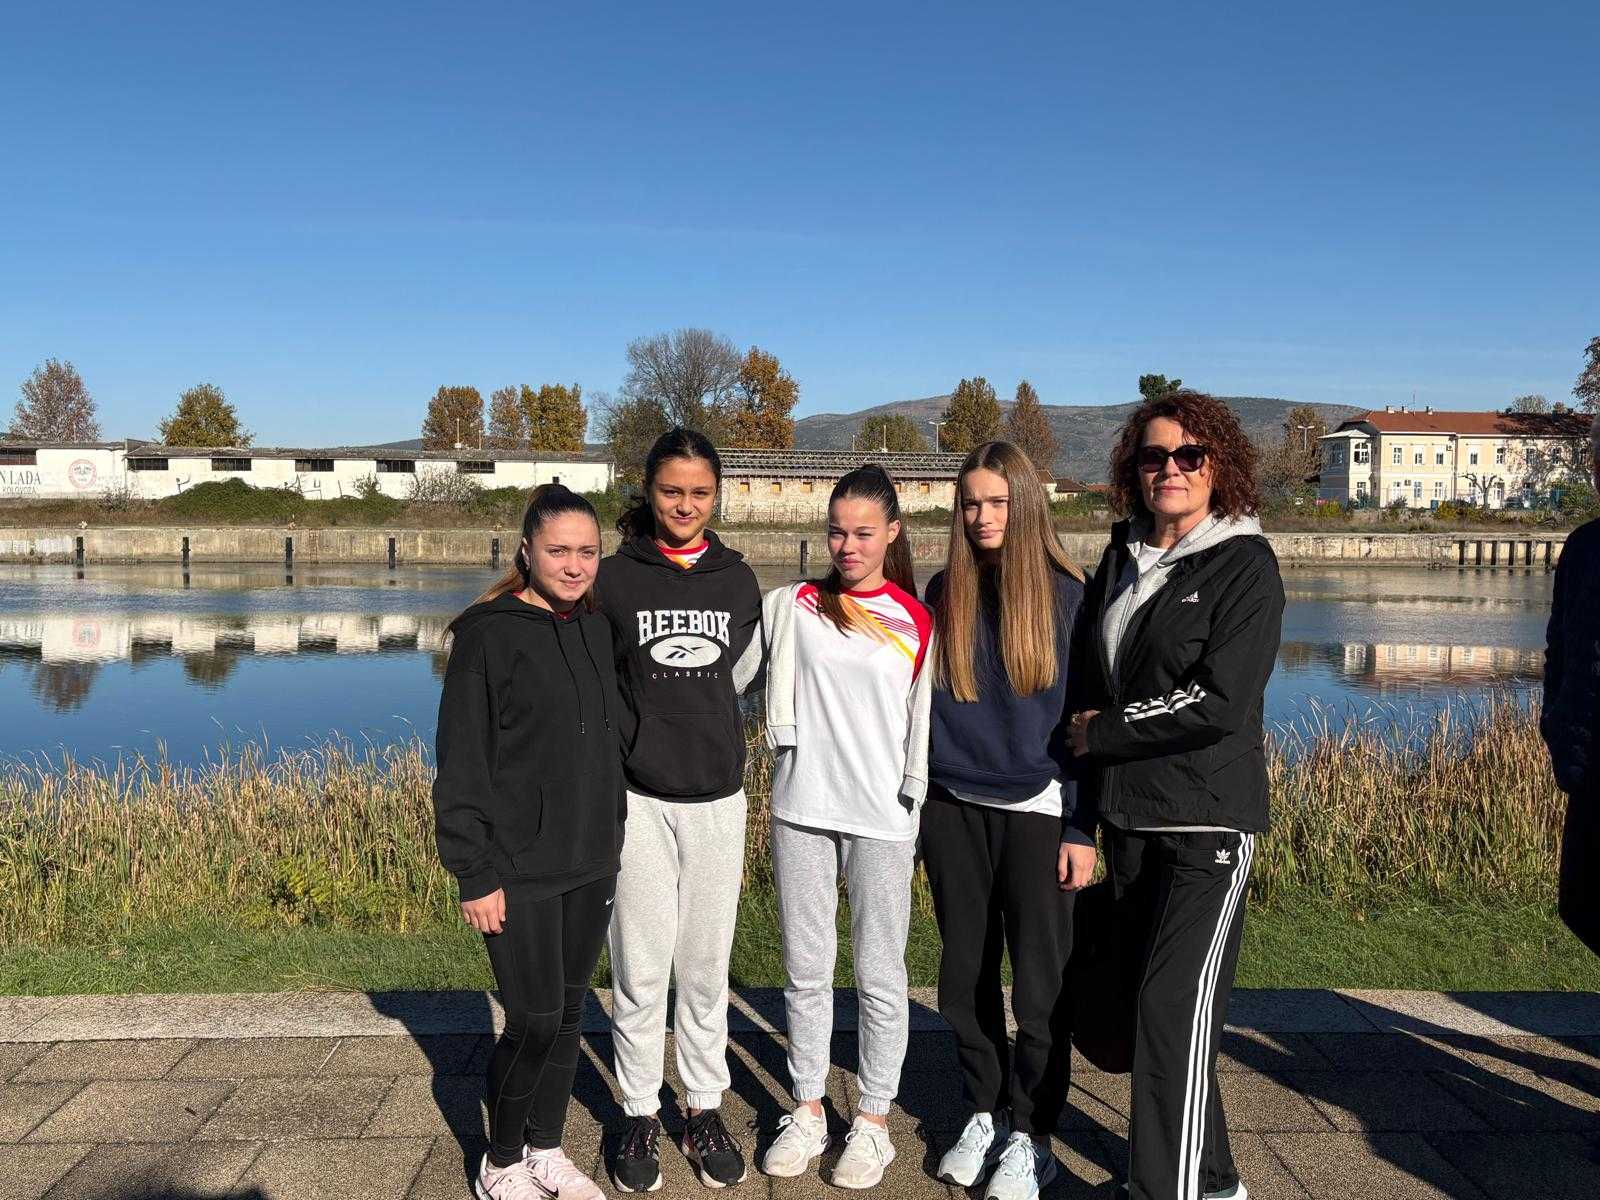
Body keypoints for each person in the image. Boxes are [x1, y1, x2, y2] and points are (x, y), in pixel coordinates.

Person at [1068, 391, 1283, 1200]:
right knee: (1154, 1017)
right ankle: (1216, 1181)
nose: (1171, 469)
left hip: (1207, 826)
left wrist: (1109, 731)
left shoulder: (1244, 565)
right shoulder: (1122, 558)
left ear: (1218, 465)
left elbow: (1219, 700)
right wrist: (1083, 812)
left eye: (1189, 455)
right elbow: (1092, 678)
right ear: (1134, 468)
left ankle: (1163, 1188)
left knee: (1170, 1010)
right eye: (1154, 456)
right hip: (1130, 821)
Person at [433, 484, 623, 1200]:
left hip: (591, 859)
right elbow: (462, 760)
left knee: (570, 1015)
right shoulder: (487, 636)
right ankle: (501, 1160)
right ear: (526, 551)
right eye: (558, 550)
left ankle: (546, 1148)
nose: (574, 565)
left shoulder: (595, 627)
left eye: (587, 551)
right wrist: (473, 871)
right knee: (534, 1020)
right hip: (517, 867)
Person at [920, 441, 1094, 1200]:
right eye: (970, 503)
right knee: (963, 981)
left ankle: (1032, 1133)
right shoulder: (944, 589)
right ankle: (985, 1112)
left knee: (1039, 989)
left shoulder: (1068, 595)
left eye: (996, 501)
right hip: (953, 807)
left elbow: (1088, 721)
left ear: (1025, 503)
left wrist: (1082, 827)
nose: (982, 516)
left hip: (1038, 812)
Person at [593, 428, 764, 1192]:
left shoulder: (738, 580)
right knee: (639, 968)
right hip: (639, 801)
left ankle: (701, 1106)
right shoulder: (614, 579)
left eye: (699, 493)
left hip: (718, 803)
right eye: (671, 491)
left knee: (702, 969)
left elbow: (743, 679)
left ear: (716, 495)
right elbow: (601, 684)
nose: (685, 505)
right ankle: (637, 1110)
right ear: (649, 490)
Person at [757, 464, 933, 1191]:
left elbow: (922, 724)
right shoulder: (794, 605)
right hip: (802, 806)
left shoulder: (917, 621)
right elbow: (722, 671)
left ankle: (873, 1121)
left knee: (879, 971)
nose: (848, 546)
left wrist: (913, 796)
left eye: (863, 532)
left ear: (893, 533)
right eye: (836, 532)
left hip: (882, 817)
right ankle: (806, 1108)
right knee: (807, 967)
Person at [1540, 411, 1600, 956]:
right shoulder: (1584, 548)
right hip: (1587, 759)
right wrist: (1554, 723)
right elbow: (1559, 646)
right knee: (1580, 903)